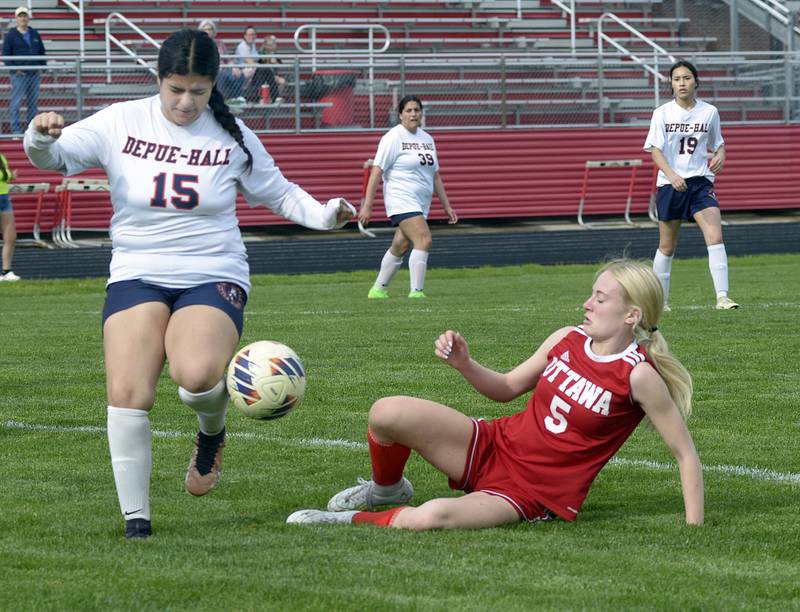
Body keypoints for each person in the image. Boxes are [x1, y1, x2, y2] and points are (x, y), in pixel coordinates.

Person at [23, 28, 355, 540]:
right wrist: (40, 135)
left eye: (198, 91)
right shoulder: (120, 121)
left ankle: (211, 433)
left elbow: (281, 194)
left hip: (212, 272)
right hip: (137, 271)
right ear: (159, 79)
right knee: (128, 393)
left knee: (198, 375)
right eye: (176, 89)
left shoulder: (233, 135)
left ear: (213, 85)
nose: (185, 102)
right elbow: (53, 157)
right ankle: (137, 522)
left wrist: (326, 214)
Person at [287, 259, 704, 530]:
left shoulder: (638, 376)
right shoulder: (567, 338)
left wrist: (694, 528)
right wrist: (465, 364)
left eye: (600, 297)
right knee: (386, 413)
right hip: (495, 445)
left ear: (632, 315)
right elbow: (505, 389)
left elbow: (685, 455)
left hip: (530, 493)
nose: (587, 303)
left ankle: (343, 520)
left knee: (431, 517)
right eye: (591, 293)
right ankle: (386, 490)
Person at [644, 60, 738, 311]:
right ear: (671, 84)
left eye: (686, 78)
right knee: (667, 245)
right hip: (670, 184)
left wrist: (721, 154)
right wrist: (672, 175)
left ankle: (722, 297)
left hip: (700, 182)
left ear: (696, 82)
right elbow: (655, 151)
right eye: (676, 79)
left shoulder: (709, 112)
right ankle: (659, 302)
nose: (682, 83)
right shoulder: (662, 113)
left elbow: (718, 143)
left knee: (715, 235)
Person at [359, 95, 457, 299]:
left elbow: (435, 175)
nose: (413, 114)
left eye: (416, 110)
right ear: (400, 115)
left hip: (421, 202)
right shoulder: (393, 137)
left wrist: (447, 206)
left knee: (401, 245)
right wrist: (367, 206)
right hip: (401, 198)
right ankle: (417, 292)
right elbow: (376, 172)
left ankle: (378, 290)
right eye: (409, 110)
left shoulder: (427, 139)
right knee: (424, 239)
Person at [2, 6, 47, 134]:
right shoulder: (11, 35)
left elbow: (42, 52)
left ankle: (31, 130)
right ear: (16, 18)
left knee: (33, 104)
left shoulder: (34, 33)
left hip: (33, 74)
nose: (23, 18)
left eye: (25, 16)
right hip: (19, 75)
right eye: (20, 16)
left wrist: (42, 67)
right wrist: (15, 69)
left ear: (28, 18)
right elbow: (5, 54)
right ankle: (16, 130)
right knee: (16, 103)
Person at [198, 19, 244, 101]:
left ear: (213, 31)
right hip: (210, 70)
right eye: (205, 29)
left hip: (224, 68)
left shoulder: (220, 43)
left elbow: (228, 59)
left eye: (210, 29)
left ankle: (237, 99)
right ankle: (231, 99)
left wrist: (234, 67)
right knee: (224, 75)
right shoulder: (199, 44)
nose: (208, 31)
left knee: (240, 74)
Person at [244, 35, 286, 103]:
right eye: (271, 44)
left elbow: (280, 68)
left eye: (274, 44)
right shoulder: (260, 54)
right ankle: (270, 97)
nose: (274, 46)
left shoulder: (275, 55)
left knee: (282, 81)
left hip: (271, 76)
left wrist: (275, 63)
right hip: (260, 76)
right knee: (265, 70)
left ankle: (276, 97)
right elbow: (256, 65)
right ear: (266, 45)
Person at [0, 152, 20, 281]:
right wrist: (10, 175)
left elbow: (4, 176)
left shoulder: (1, 156)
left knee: (11, 236)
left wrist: (11, 176)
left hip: (4, 198)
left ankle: (6, 271)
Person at [233, 25, 259, 103]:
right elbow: (250, 61)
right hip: (241, 72)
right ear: (245, 36)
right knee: (261, 71)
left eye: (253, 34)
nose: (252, 36)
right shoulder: (242, 46)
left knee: (263, 71)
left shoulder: (253, 46)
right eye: (249, 34)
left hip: (252, 72)